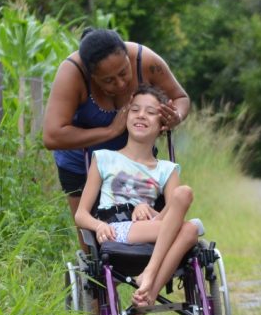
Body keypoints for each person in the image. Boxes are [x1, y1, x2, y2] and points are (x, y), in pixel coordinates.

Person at [43, 28, 190, 224]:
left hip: (137, 161)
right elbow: (52, 136)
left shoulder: (144, 61)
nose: (120, 84)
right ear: (91, 76)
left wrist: (176, 116)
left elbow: (180, 97)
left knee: (146, 224)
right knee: (93, 242)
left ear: (128, 58)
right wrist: (110, 131)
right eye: (108, 80)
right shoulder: (72, 73)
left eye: (123, 73)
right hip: (82, 165)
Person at [74, 84, 198, 310]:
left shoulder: (167, 169)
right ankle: (149, 281)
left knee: (184, 198)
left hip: (151, 229)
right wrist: (99, 225)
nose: (141, 115)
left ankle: (146, 291)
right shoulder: (104, 158)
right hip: (117, 229)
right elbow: (80, 214)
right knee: (190, 229)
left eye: (151, 113)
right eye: (135, 110)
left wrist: (148, 209)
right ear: (126, 116)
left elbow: (171, 212)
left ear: (162, 125)